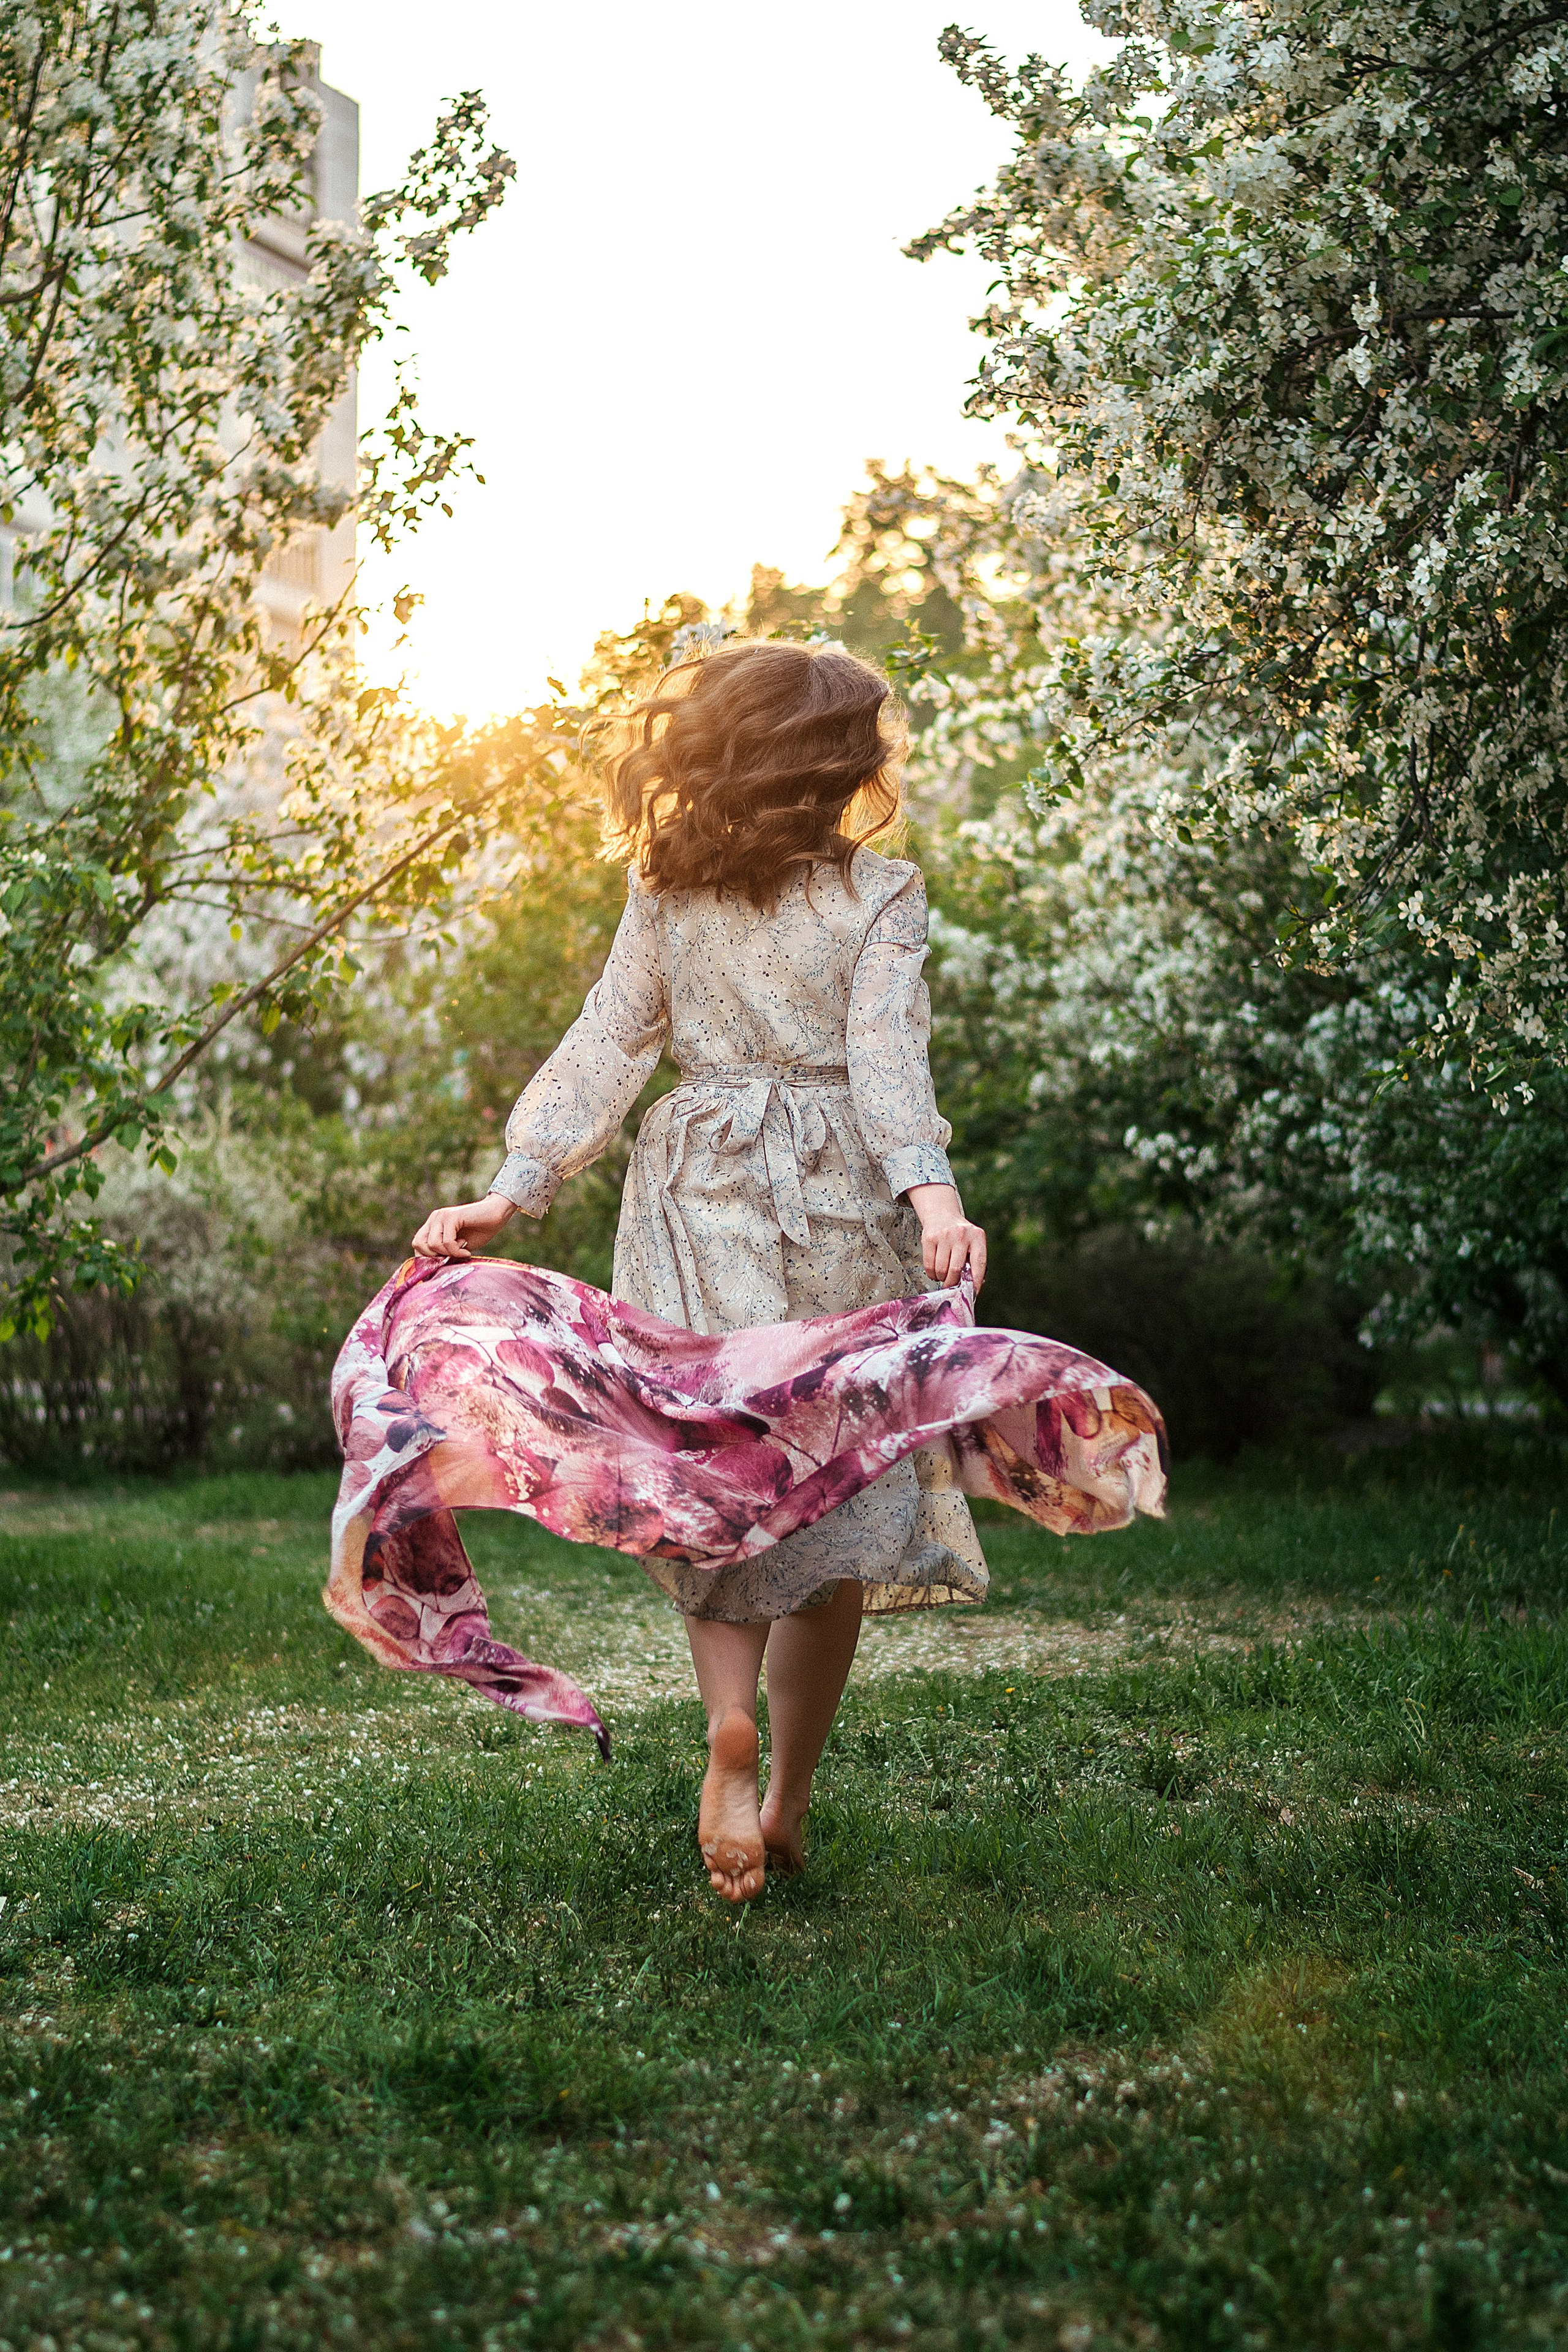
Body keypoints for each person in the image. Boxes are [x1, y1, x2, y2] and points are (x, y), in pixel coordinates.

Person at [410, 639, 988, 1905]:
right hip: (837, 1194)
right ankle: (780, 1799)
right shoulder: (881, 893)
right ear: (838, 764)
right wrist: (932, 1201)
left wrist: (516, 1187)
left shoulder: (666, 885)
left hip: (693, 1191)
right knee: (824, 1495)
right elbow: (888, 1061)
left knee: (707, 1471)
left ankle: (724, 1727)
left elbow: (608, 1041)